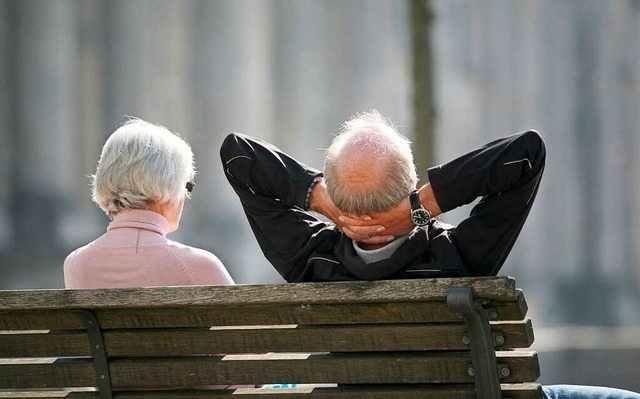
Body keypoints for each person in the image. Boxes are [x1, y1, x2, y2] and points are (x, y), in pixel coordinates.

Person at [220, 110, 640, 399]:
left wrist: (320, 200)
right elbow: (526, 154)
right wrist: (421, 210)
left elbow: (238, 155)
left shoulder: (309, 259)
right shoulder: (456, 256)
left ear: (334, 194)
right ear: (412, 183)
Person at [64, 118, 234, 289]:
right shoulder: (199, 266)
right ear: (168, 184)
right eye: (186, 185)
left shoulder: (76, 264)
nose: (185, 196)